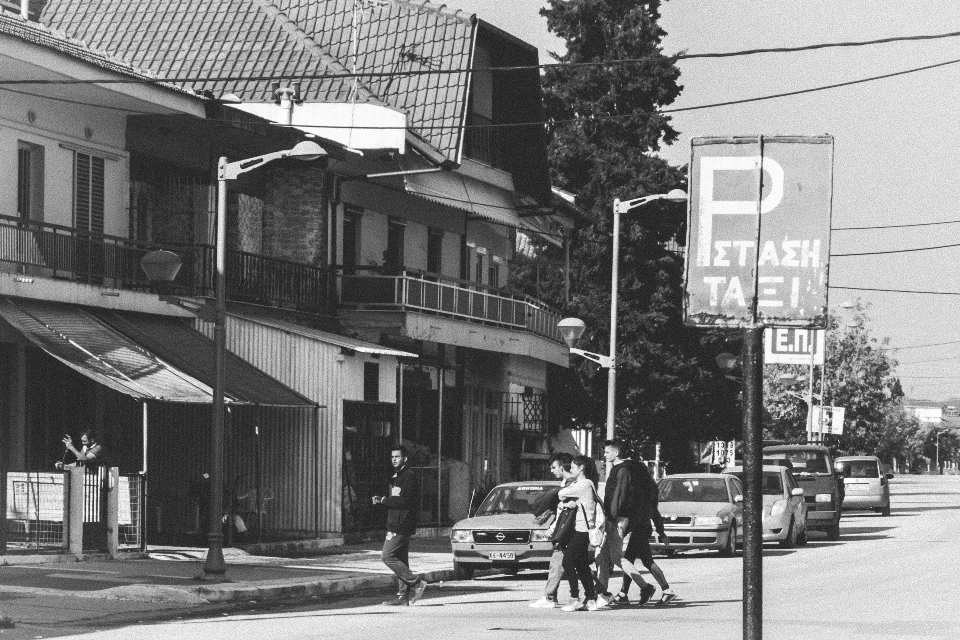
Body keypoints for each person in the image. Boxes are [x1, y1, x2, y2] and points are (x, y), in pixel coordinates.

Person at [593, 439, 652, 608]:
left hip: (617, 518)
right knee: (602, 558)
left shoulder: (623, 470)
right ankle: (602, 593)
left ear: (616, 453)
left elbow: (620, 495)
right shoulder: (618, 469)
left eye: (607, 452)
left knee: (616, 557)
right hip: (613, 517)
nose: (604, 455)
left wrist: (611, 518)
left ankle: (645, 587)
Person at [614, 455, 677, 606]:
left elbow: (643, 512)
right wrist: (661, 533)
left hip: (640, 528)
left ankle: (666, 590)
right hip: (643, 528)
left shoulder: (639, 489)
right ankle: (625, 593)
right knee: (641, 560)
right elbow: (655, 512)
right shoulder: (649, 486)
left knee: (635, 561)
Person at [375, 445, 428, 606]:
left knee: (387, 556)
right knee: (401, 559)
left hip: (401, 523)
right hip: (398, 521)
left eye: (397, 456)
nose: (394, 459)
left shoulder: (408, 476)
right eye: (392, 457)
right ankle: (402, 597)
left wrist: (384, 500)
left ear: (405, 458)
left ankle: (417, 583)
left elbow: (405, 500)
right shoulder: (398, 476)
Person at [529, 452, 581, 608]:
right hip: (569, 530)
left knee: (557, 564)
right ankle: (601, 592)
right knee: (578, 565)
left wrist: (552, 531)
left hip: (567, 531)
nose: (552, 471)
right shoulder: (568, 483)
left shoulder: (570, 486)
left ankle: (550, 597)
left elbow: (564, 514)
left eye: (554, 467)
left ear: (562, 467)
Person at [555, 454, 603, 612]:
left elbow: (561, 494)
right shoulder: (582, 483)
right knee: (581, 565)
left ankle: (574, 598)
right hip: (579, 529)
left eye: (574, 467)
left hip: (582, 530)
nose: (571, 469)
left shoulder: (584, 484)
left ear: (582, 468)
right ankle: (590, 598)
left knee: (567, 561)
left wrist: (570, 499)